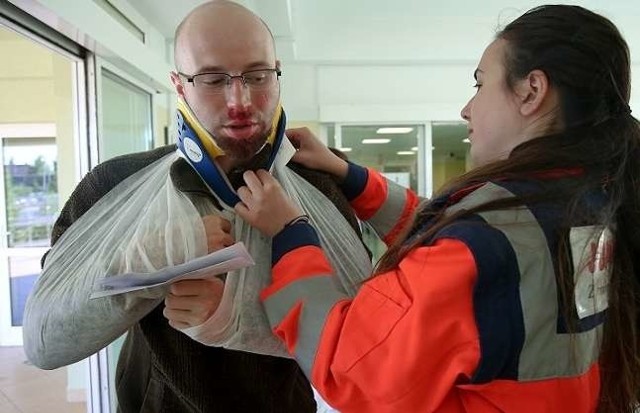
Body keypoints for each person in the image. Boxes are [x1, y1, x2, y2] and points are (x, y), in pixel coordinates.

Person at [235, 5, 640, 412]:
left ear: (531, 91)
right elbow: (448, 237)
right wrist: (349, 176)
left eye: (480, 84)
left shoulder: (489, 241)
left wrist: (290, 232)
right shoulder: (585, 203)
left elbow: (352, 365)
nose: (467, 108)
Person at [22, 1, 367, 412]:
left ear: (277, 73)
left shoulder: (319, 183)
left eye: (257, 76)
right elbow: (46, 339)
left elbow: (365, 332)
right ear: (179, 84)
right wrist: (145, 263)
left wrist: (237, 312)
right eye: (211, 78)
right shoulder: (114, 186)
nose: (239, 100)